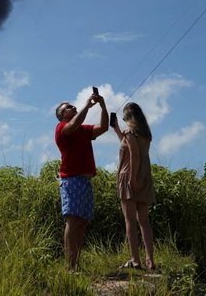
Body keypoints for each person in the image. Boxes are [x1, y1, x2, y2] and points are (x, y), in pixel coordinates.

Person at [54, 91, 108, 271]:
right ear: (62, 115)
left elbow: (104, 127)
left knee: (82, 222)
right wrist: (88, 105)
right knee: (72, 220)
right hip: (71, 180)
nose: (73, 107)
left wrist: (102, 106)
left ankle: (75, 264)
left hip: (85, 182)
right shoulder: (62, 128)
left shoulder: (84, 130)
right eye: (68, 107)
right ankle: (70, 266)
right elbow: (75, 123)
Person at [111, 102, 156, 271]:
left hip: (128, 175)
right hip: (145, 176)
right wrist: (116, 129)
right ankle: (150, 260)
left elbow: (133, 155)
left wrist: (132, 179)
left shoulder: (130, 132)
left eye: (124, 118)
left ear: (129, 117)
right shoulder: (145, 134)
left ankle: (135, 260)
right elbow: (130, 147)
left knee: (129, 220)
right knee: (144, 221)